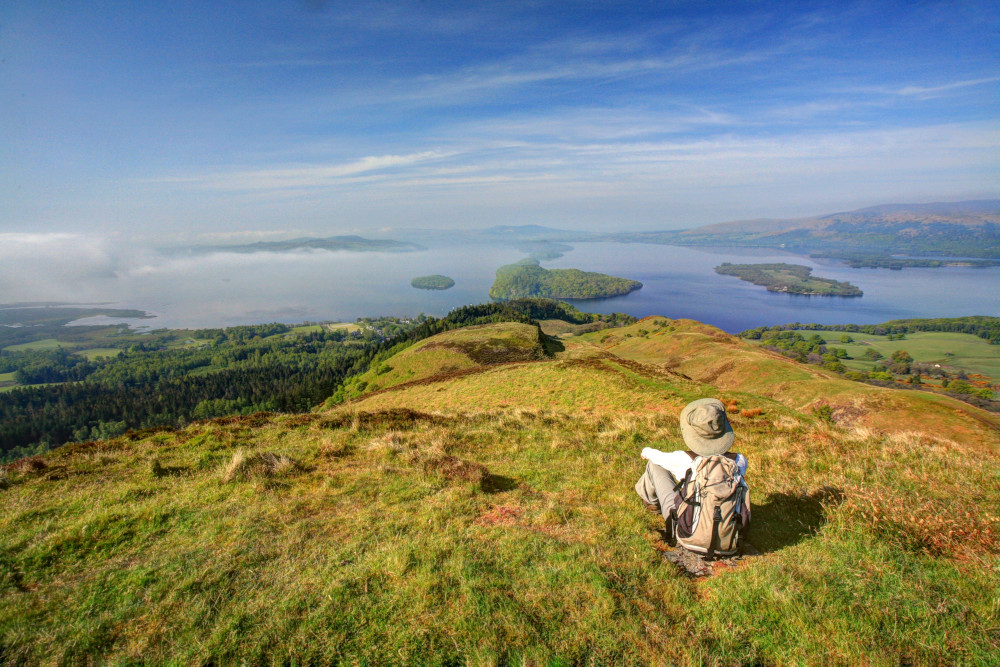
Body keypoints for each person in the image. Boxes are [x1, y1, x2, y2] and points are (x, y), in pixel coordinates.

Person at [634, 397, 747, 523]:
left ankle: (652, 504)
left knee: (653, 465)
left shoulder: (683, 459)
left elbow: (656, 456)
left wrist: (645, 451)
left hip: (686, 528)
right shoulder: (739, 460)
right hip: (729, 528)